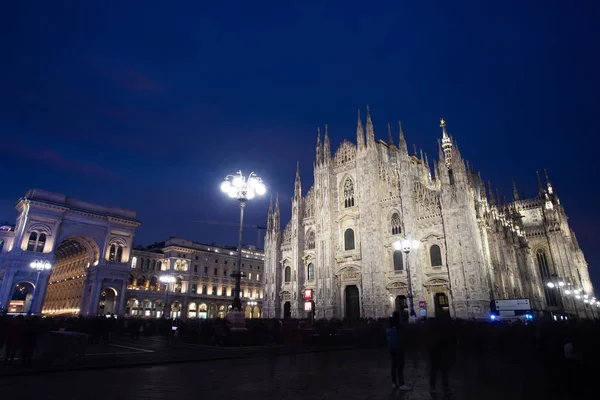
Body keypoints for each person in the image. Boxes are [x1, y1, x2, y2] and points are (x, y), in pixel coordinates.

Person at [386, 311, 412, 391]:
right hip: (399, 347)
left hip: (391, 347)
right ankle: (401, 383)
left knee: (394, 366)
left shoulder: (389, 326)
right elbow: (403, 336)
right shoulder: (399, 326)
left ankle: (394, 383)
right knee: (400, 366)